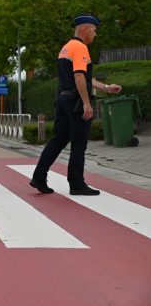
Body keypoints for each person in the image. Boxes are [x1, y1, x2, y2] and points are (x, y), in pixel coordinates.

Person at [29, 14, 122, 196]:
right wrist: (87, 103)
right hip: (76, 102)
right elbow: (79, 76)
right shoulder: (81, 48)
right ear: (86, 29)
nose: (95, 35)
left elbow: (83, 76)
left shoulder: (66, 48)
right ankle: (77, 184)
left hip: (63, 99)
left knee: (58, 140)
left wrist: (105, 87)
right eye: (94, 31)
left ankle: (39, 177)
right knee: (79, 143)